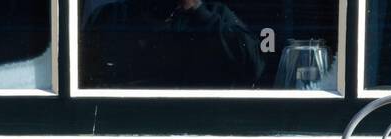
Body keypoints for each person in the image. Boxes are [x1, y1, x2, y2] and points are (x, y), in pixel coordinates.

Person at [82, 0, 265, 89]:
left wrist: (198, 11)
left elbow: (253, 67)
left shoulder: (213, 16)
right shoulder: (109, 18)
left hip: (196, 127)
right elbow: (82, 81)